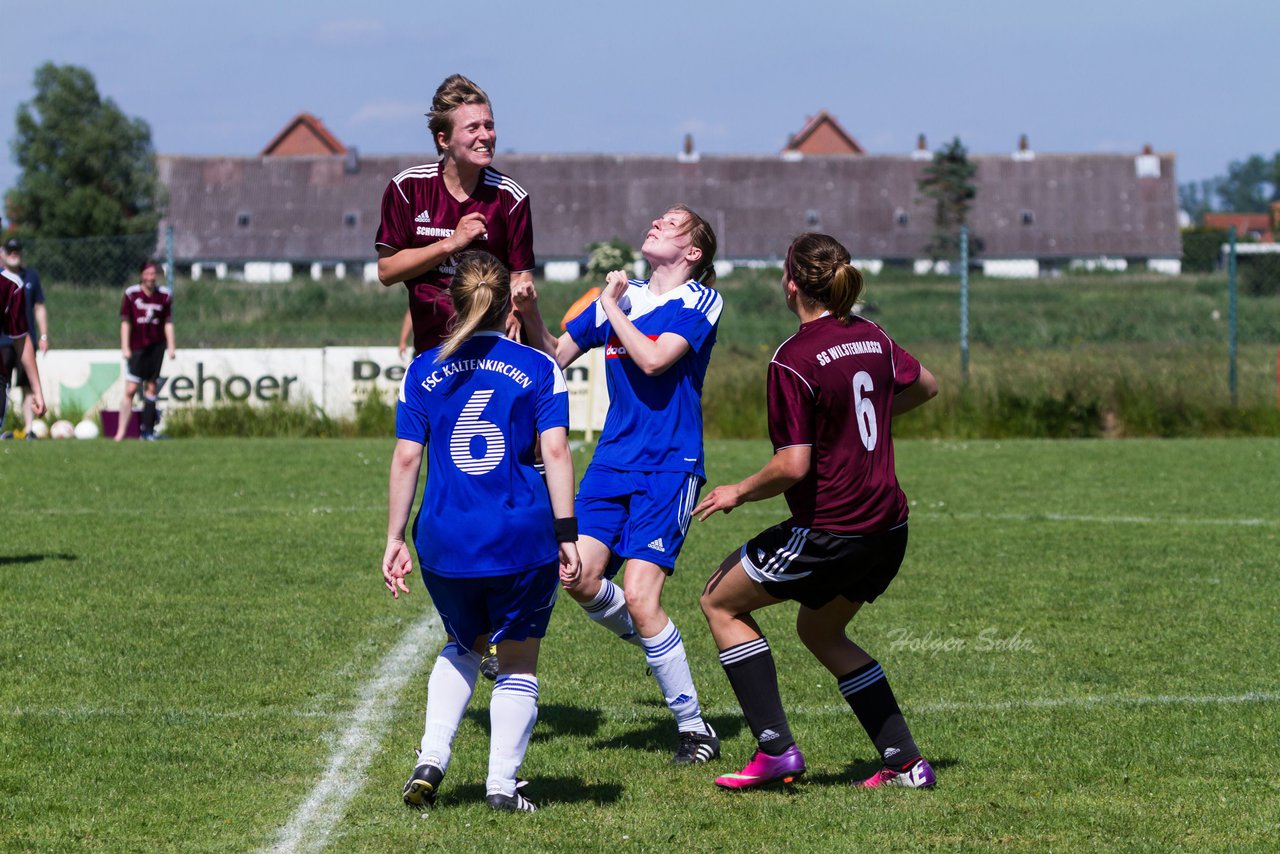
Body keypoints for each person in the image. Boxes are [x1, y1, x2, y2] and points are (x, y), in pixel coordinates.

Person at [693, 232, 939, 791]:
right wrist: (866, 418)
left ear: (792, 284)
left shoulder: (793, 358)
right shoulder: (870, 335)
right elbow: (926, 386)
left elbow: (793, 465)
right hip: (888, 525)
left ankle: (775, 750)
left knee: (718, 601)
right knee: (822, 631)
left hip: (834, 528)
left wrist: (738, 491)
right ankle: (904, 763)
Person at [515, 205, 723, 764]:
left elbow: (655, 360)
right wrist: (532, 315)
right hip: (611, 463)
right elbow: (553, 357)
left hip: (670, 467)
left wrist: (609, 306)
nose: (655, 224)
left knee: (639, 592)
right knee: (577, 577)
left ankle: (695, 727)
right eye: (656, 219)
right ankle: (654, 640)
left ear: (693, 252)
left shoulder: (698, 300)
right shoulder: (618, 295)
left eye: (671, 223)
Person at [382, 251, 580, 813]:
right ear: (509, 304)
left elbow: (405, 459)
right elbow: (558, 451)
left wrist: (395, 538)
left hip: (445, 541)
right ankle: (501, 786)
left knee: (463, 644)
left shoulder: (423, 368)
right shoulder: (540, 367)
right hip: (521, 538)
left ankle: (432, 758)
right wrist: (567, 532)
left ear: (453, 300)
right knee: (517, 660)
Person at [375, 73, 534, 359]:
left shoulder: (511, 197)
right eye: (473, 127)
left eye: (489, 126)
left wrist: (515, 311)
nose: (485, 135)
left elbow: (521, 278)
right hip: (432, 354)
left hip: (494, 355)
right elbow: (387, 271)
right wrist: (451, 243)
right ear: (444, 139)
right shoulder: (408, 188)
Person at [114, 259, 175, 442]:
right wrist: (125, 346)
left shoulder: (164, 295)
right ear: (141, 275)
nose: (150, 277)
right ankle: (121, 432)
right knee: (131, 389)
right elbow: (125, 322)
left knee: (151, 387)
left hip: (157, 347)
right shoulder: (131, 294)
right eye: (147, 274)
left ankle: (147, 432)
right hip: (137, 347)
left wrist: (171, 346)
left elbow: (168, 323)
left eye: (153, 274)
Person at [0, 238, 47, 437]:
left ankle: (28, 429)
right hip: (4, 345)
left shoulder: (13, 286)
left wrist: (37, 390)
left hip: (10, 349)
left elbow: (22, 338)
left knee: (24, 384)